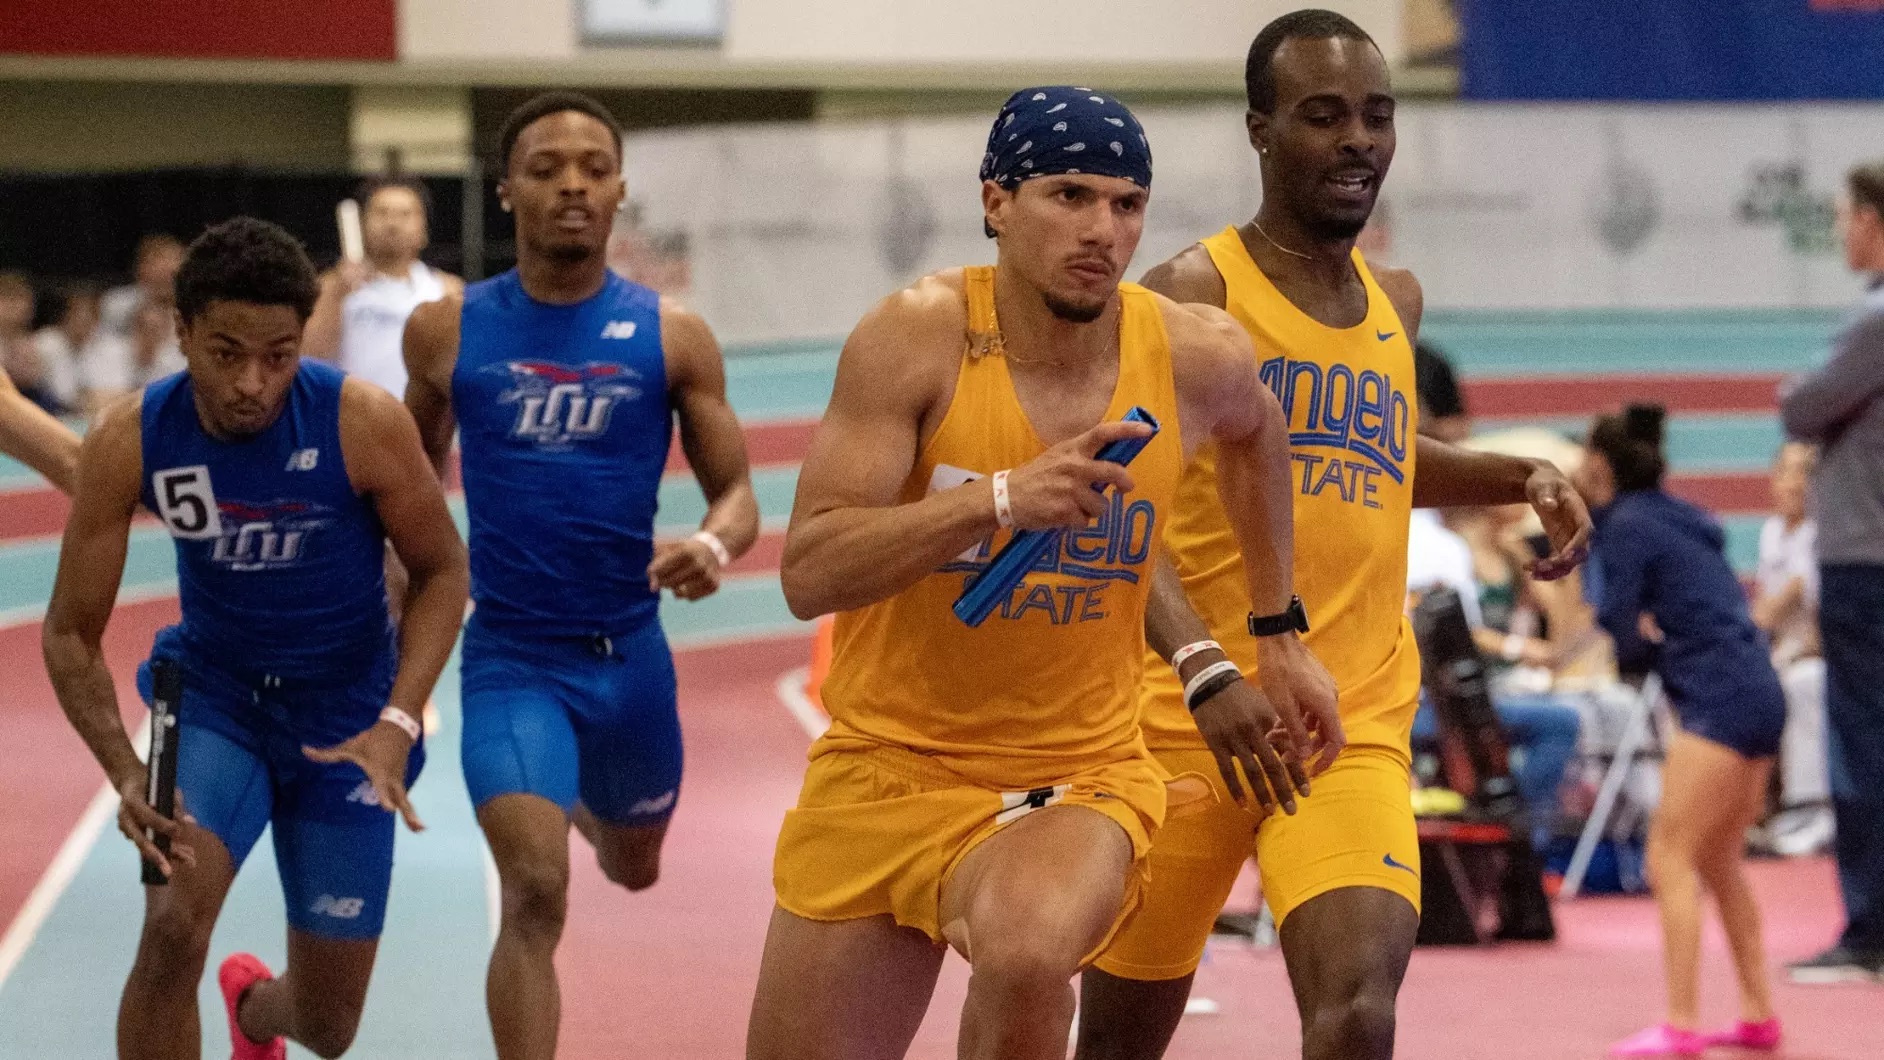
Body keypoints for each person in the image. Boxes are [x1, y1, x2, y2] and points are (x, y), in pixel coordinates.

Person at [744, 84, 1336, 1060]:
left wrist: (1274, 635)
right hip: (885, 766)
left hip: (1076, 775)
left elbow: (1258, 436)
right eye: (1069, 195)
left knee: (1026, 949)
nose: (1102, 228)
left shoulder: (1192, 353)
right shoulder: (914, 338)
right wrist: (998, 499)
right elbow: (810, 571)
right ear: (996, 202)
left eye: (1126, 203)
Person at [1072, 13, 1591, 1060]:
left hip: (1344, 721)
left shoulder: (1395, 303)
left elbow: (1378, 460)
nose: (1358, 139)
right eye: (1324, 116)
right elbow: (1111, 504)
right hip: (1188, 723)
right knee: (1118, 1045)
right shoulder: (1191, 295)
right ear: (1261, 130)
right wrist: (1206, 665)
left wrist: (1517, 473)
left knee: (1356, 1010)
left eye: (1377, 116)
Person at [39, 217, 469, 1060]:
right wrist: (127, 773)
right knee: (169, 931)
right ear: (183, 331)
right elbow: (67, 633)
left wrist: (399, 720)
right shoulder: (132, 438)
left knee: (330, 1028)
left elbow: (444, 572)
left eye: (279, 356)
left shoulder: (363, 424)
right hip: (214, 701)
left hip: (344, 715)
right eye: (226, 353)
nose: (252, 383)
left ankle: (255, 1015)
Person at [403, 91, 760, 1060]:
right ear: (507, 188)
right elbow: (403, 491)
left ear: (619, 192)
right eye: (549, 166)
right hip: (512, 658)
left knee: (633, 868)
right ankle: (540, 783)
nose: (572, 184)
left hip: (631, 657)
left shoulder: (672, 335)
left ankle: (577, 798)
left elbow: (738, 497)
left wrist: (714, 545)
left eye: (594, 168)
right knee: (534, 888)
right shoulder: (445, 333)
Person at [1574, 404, 1785, 1056]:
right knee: (1720, 856)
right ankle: (1756, 1015)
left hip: (1718, 696)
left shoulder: (1627, 526)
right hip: (1759, 688)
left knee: (1670, 852)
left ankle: (1681, 1023)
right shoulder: (1682, 518)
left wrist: (1650, 655)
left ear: (1601, 466)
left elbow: (1615, 618)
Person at [1779, 159, 1884, 985]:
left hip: (1865, 560)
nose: (1843, 232)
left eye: (1848, 216)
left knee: (1863, 749)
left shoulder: (1876, 321)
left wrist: (1798, 394)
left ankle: (1869, 932)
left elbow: (1802, 406)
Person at [303, 175, 463, 398]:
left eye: (405, 214)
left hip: (420, 419)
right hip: (354, 416)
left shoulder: (448, 290)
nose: (392, 223)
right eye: (382, 213)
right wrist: (338, 293)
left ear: (424, 229)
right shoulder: (331, 286)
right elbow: (309, 358)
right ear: (362, 223)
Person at [1752, 442, 1833, 857]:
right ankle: (1754, 811)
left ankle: (1813, 808)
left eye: (1804, 472)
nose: (1795, 483)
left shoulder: (1822, 534)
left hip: (1824, 654)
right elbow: (1767, 609)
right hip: (1786, 650)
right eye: (1787, 472)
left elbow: (1802, 603)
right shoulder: (1771, 533)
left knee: (1804, 683)